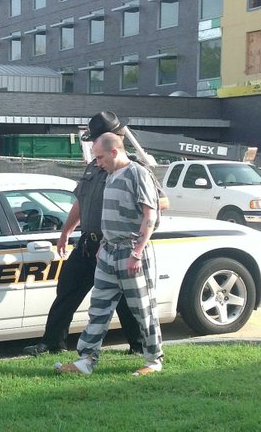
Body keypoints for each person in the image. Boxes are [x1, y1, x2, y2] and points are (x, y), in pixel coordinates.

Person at [23, 111, 143, 356]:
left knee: (123, 300)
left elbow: (160, 203)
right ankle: (52, 342)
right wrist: (66, 230)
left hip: (114, 246)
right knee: (67, 289)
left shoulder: (134, 170)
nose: (95, 151)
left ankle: (139, 347)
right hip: (88, 242)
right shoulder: (94, 164)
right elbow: (81, 200)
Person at [55, 131, 164, 376]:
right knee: (99, 308)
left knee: (142, 308)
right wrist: (104, 244)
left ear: (114, 152)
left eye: (101, 157)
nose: (98, 163)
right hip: (108, 251)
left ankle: (153, 360)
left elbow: (151, 215)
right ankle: (86, 361)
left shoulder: (139, 174)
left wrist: (137, 252)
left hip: (131, 252)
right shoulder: (111, 175)